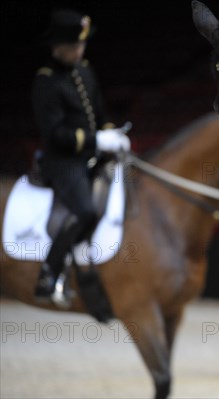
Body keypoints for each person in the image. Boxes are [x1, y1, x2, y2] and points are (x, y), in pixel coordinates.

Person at [31, 9, 130, 304]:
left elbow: (99, 115)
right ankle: (49, 273)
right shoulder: (46, 82)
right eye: (74, 46)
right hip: (63, 161)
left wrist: (114, 134)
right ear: (57, 47)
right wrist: (97, 139)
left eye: (82, 45)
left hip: (92, 155)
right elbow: (56, 136)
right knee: (85, 210)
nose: (79, 50)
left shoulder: (85, 71)